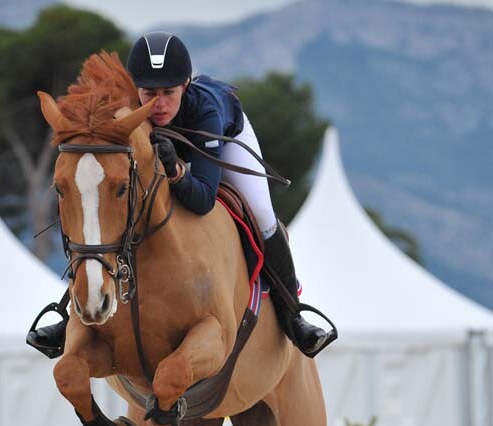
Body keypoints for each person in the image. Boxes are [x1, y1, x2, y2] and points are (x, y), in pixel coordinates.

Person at [27, 32, 333, 358]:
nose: (158, 104)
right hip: (169, 159)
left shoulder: (206, 109)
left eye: (169, 93)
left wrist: (175, 172)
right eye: (149, 93)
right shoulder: (127, 110)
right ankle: (72, 313)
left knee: (261, 212)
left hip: (222, 141)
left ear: (185, 85)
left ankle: (293, 314)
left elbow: (202, 200)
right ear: (136, 89)